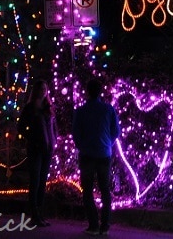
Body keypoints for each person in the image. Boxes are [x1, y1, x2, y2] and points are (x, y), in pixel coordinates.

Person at [72, 79, 120, 236]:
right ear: (101, 92)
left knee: (87, 191)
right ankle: (105, 225)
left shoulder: (81, 111)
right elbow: (116, 131)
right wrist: (108, 144)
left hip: (87, 154)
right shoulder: (108, 109)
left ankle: (93, 225)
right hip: (104, 154)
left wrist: (82, 146)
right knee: (105, 190)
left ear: (87, 92)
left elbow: (76, 134)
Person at [17, 79, 57, 227]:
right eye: (41, 89)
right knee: (35, 180)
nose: (43, 91)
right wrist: (31, 138)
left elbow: (54, 126)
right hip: (35, 148)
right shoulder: (30, 108)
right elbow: (20, 126)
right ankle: (34, 213)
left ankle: (40, 212)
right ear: (36, 91)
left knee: (42, 181)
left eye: (45, 88)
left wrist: (54, 140)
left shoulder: (49, 107)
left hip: (48, 149)